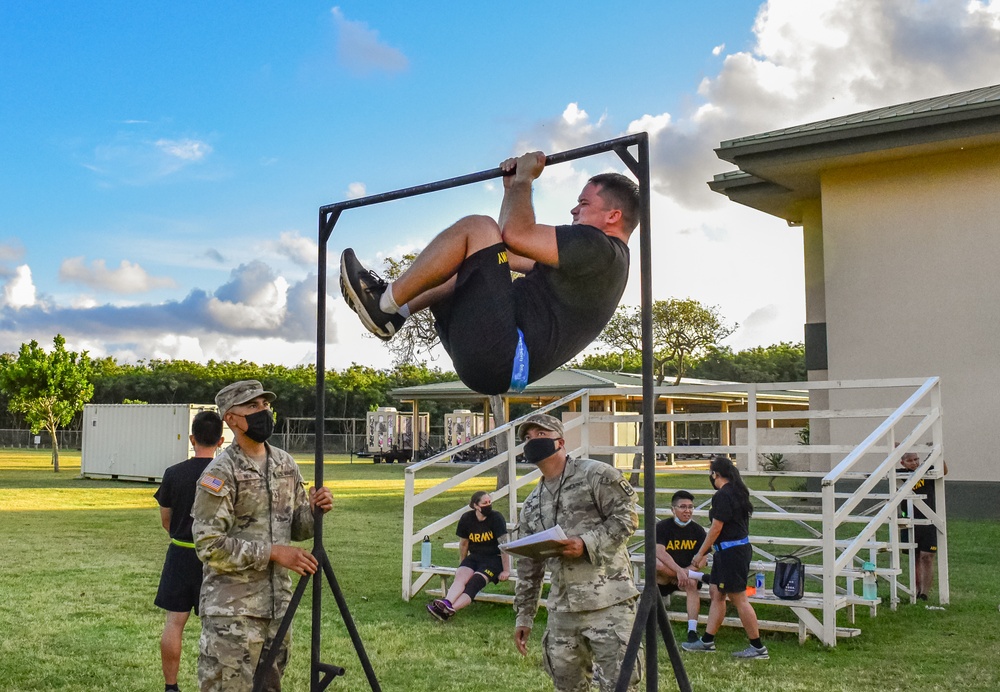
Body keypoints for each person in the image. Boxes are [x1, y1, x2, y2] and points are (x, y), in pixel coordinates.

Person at [340, 151, 639, 395]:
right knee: (464, 256)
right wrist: (512, 190)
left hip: (500, 354)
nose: (574, 210)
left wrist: (525, 180)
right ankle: (395, 314)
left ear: (613, 216)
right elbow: (501, 251)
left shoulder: (599, 248)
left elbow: (514, 234)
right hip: (492, 357)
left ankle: (385, 304)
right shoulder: (598, 263)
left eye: (584, 203)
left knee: (477, 226)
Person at [192, 380, 333, 692]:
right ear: (230, 418)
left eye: (265, 405)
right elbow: (208, 545)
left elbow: (296, 527)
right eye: (252, 406)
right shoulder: (220, 474)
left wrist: (314, 511)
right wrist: (272, 553)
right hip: (232, 613)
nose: (263, 411)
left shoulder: (285, 464)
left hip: (277, 608)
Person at [511, 413, 641, 692]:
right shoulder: (533, 503)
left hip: (609, 603)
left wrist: (587, 543)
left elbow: (627, 518)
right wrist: (524, 616)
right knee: (567, 686)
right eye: (527, 438)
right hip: (563, 610)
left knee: (620, 685)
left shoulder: (596, 474)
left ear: (560, 441)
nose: (533, 441)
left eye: (540, 435)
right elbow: (528, 566)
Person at [154, 410, 225, 692]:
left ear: (192, 438)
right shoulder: (225, 474)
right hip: (217, 557)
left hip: (181, 555)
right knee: (218, 627)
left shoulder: (174, 473)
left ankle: (171, 687)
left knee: (174, 623)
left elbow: (166, 521)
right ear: (221, 441)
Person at [683, 456, 768, 660]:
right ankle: (707, 641)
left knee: (739, 598)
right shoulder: (737, 492)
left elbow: (716, 528)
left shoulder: (723, 495)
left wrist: (700, 553)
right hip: (728, 552)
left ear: (716, 474)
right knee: (716, 592)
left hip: (732, 553)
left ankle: (758, 647)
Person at [427, 491, 511, 621]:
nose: (488, 505)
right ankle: (447, 603)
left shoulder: (496, 518)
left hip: (493, 559)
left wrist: (506, 570)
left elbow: (504, 545)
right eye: (485, 503)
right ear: (475, 506)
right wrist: (463, 563)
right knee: (461, 576)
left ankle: (449, 610)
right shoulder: (467, 518)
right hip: (475, 557)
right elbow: (464, 544)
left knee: (474, 583)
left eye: (489, 502)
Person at [654, 490, 708, 643]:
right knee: (656, 564)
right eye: (683, 507)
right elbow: (659, 551)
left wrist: (685, 573)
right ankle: (654, 622)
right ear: (673, 509)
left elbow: (703, 559)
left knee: (692, 583)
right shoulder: (662, 527)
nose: (687, 510)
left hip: (687, 577)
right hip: (666, 575)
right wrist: (678, 572)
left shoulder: (698, 530)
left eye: (690, 507)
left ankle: (692, 630)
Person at [898, 447, 948, 601]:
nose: (914, 463)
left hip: (929, 519)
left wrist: (937, 452)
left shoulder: (927, 470)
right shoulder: (899, 475)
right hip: (909, 521)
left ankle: (925, 594)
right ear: (903, 462)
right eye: (910, 460)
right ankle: (916, 590)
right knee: (915, 556)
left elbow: (944, 470)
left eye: (916, 459)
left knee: (927, 556)